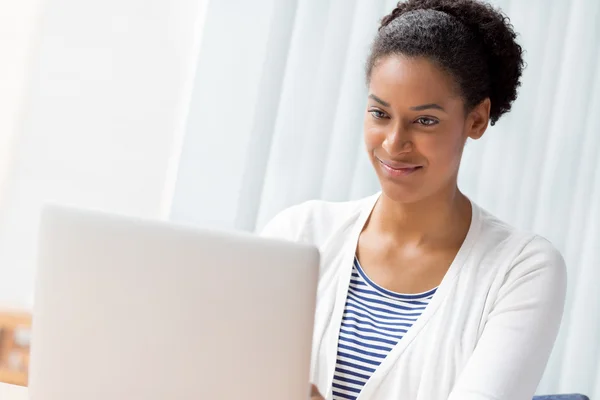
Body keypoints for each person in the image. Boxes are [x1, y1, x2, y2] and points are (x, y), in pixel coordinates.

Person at [262, 0, 567, 399]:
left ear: (475, 120)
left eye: (425, 121)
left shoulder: (520, 270)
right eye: (379, 114)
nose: (394, 143)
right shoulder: (299, 234)